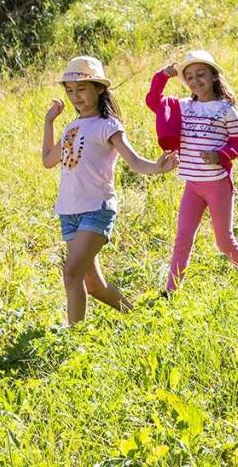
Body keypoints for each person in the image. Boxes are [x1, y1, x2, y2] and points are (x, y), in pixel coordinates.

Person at [42, 55, 178, 324]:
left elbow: (134, 161)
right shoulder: (71, 127)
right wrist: (49, 122)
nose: (75, 97)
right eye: (70, 91)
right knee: (94, 285)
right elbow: (48, 160)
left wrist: (157, 167)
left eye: (81, 89)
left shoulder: (108, 126)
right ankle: (140, 319)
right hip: (69, 212)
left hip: (96, 209)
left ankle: (75, 339)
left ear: (99, 88)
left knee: (71, 273)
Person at [145, 50, 238, 293]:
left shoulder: (226, 109)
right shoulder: (182, 107)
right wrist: (162, 76)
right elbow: (153, 101)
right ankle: (171, 291)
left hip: (217, 185)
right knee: (182, 239)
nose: (195, 81)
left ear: (214, 76)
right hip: (192, 185)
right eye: (189, 77)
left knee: (224, 241)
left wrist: (221, 155)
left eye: (201, 74)